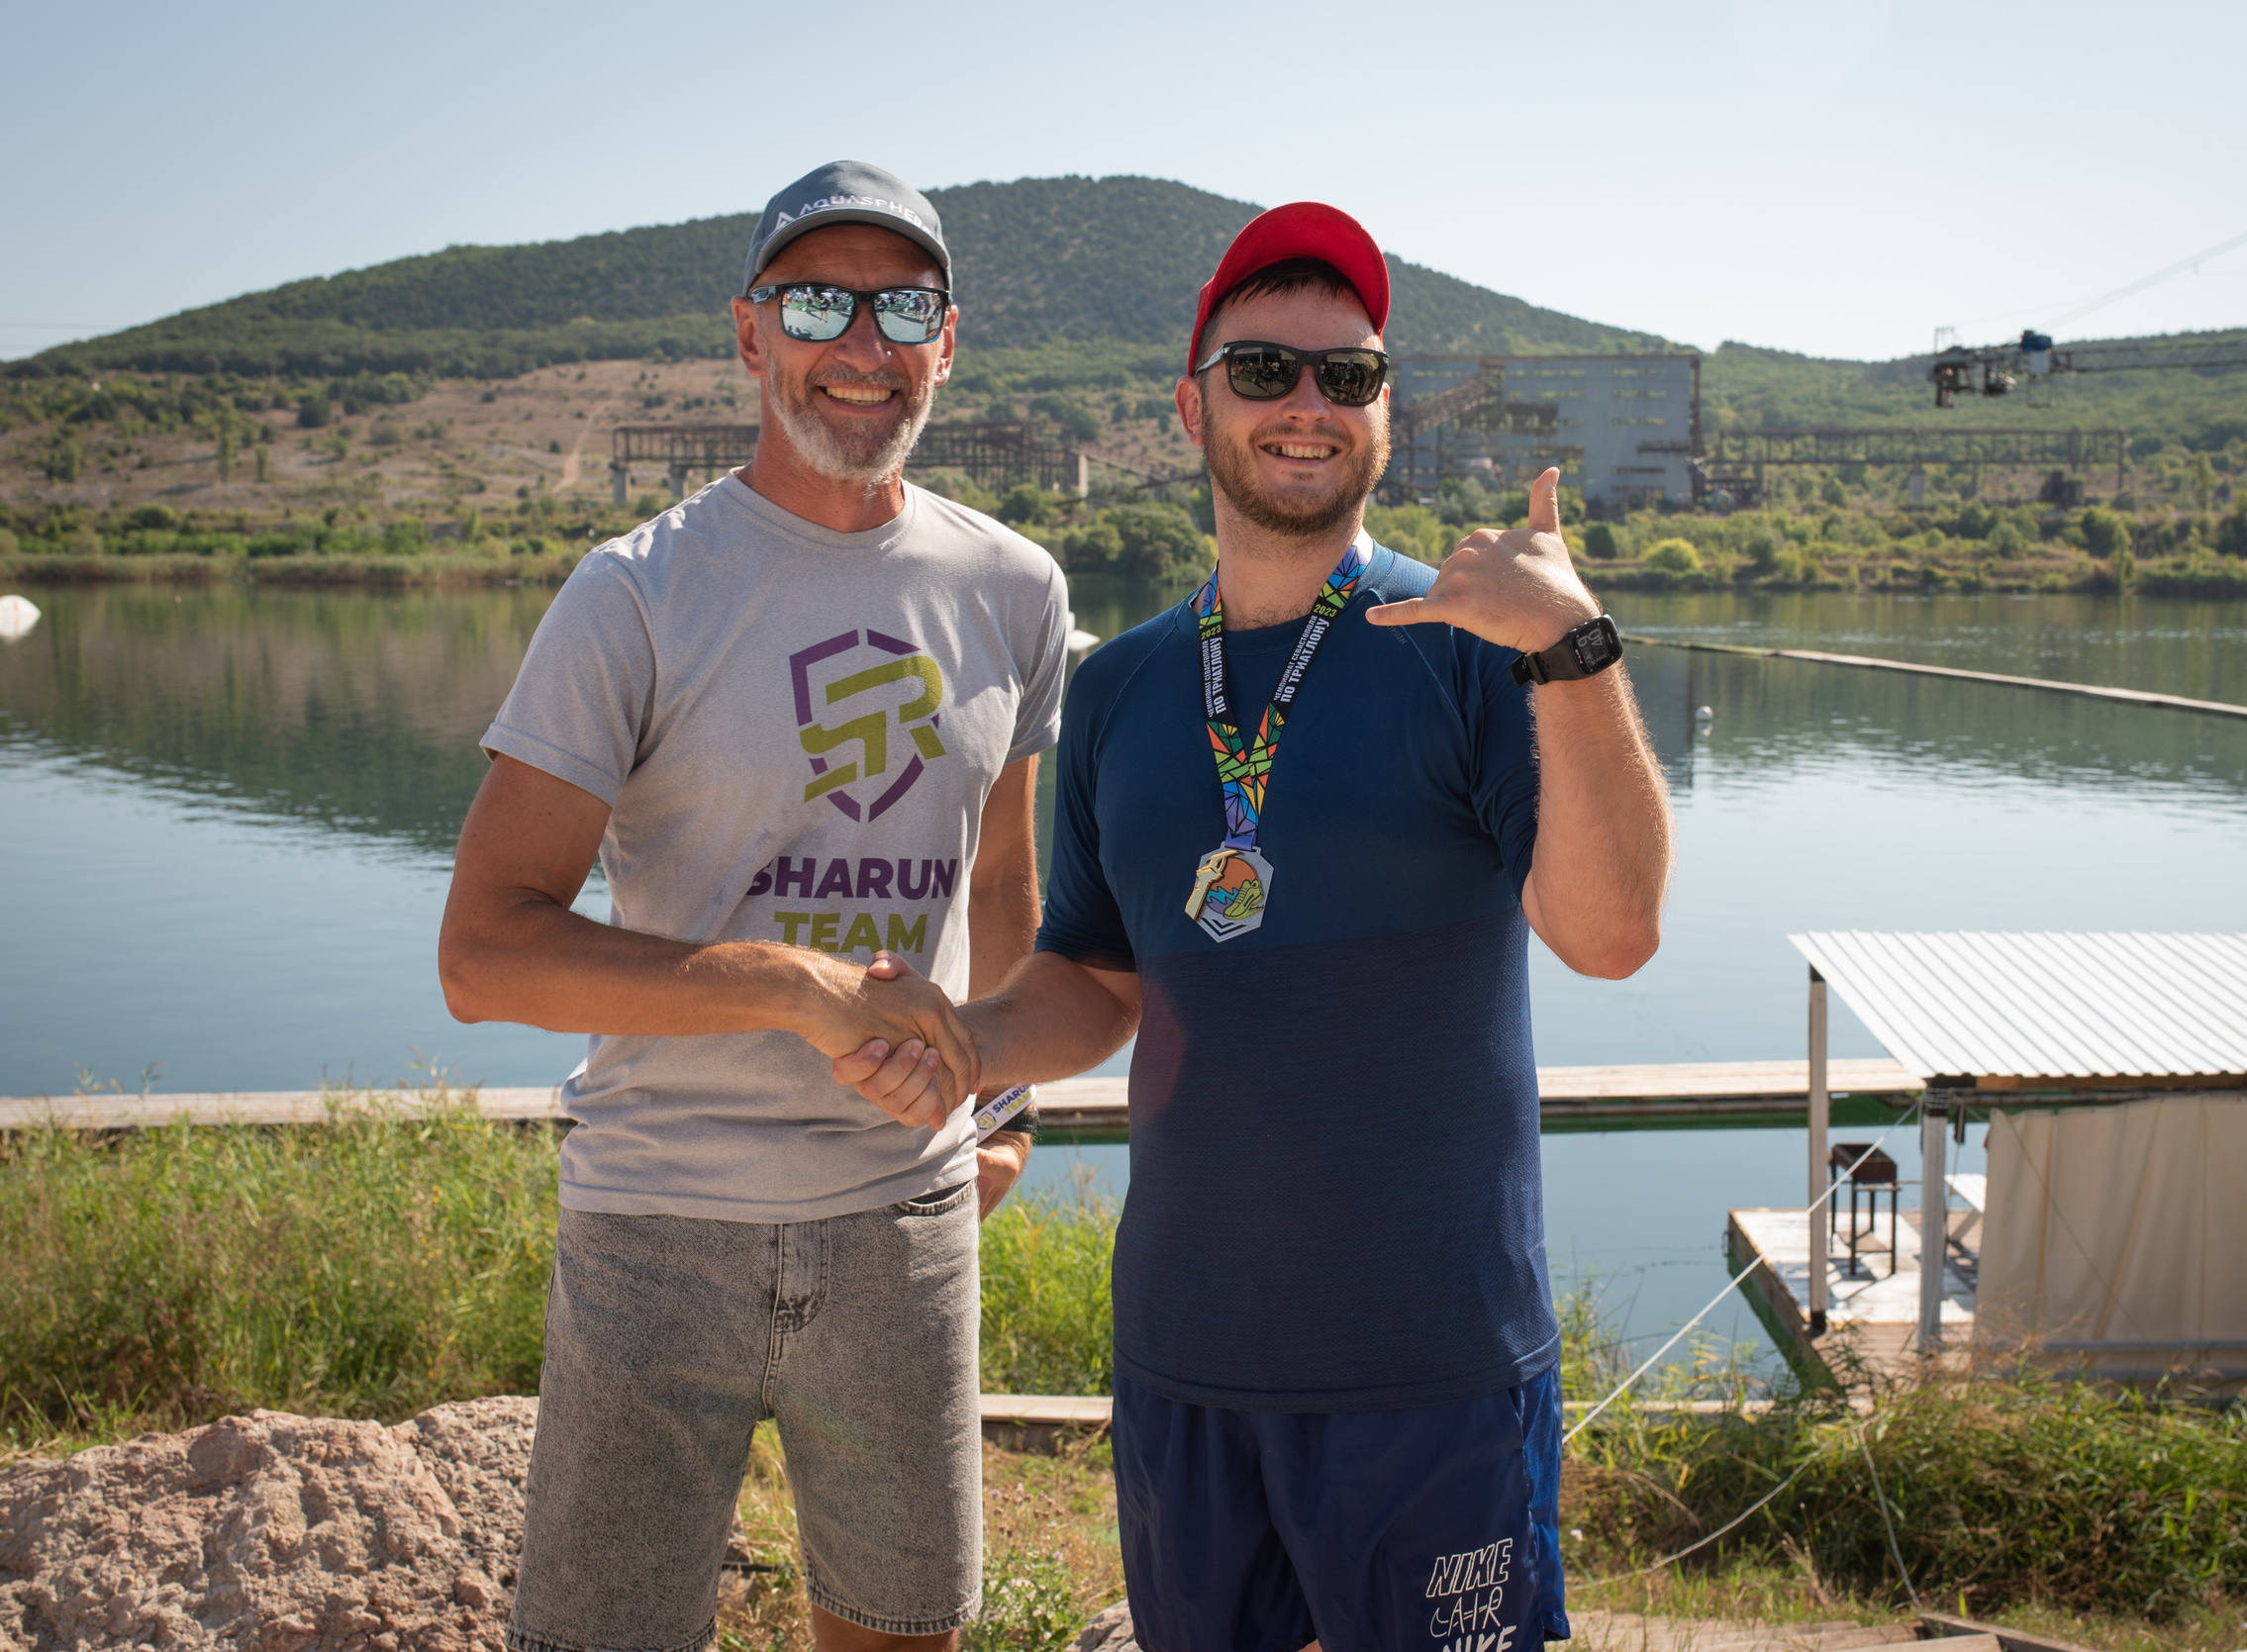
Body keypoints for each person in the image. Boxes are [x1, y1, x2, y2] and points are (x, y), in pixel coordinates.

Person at [842, 202, 1672, 1652]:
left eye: (1345, 377)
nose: (1306, 405)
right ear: (1191, 403)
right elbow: (1097, 976)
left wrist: (1573, 648)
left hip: (1433, 1367)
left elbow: (1611, 937)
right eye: (1263, 369)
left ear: (1384, 417)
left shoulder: (1481, 649)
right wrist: (966, 1043)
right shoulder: (1123, 691)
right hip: (1191, 1363)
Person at [437, 158, 1066, 1652]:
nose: (862, 341)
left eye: (901, 304)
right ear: (750, 334)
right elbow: (484, 948)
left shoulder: (1014, 590)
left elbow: (1004, 882)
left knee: (904, 1633)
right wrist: (789, 984)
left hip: (904, 1223)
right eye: (818, 301)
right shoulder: (635, 593)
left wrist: (1005, 1096)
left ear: (949, 339)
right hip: (658, 1222)